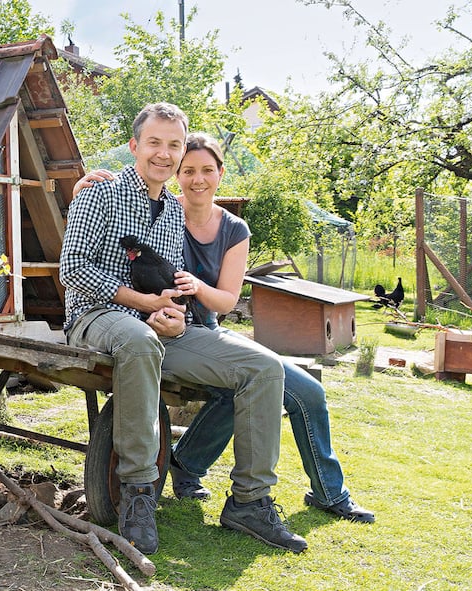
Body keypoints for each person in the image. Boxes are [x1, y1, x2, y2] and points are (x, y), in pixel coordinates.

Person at [74, 132, 375, 524]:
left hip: (209, 329)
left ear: (221, 173)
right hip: (164, 328)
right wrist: (81, 189)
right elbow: (121, 202)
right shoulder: (160, 210)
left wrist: (198, 288)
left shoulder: (233, 229)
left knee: (305, 391)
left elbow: (228, 301)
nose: (198, 179)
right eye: (189, 171)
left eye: (207, 171)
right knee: (244, 385)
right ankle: (190, 469)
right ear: (177, 174)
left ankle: (329, 492)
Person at [59, 103, 308, 555]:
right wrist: (143, 304)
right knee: (137, 339)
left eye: (173, 145)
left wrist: (173, 314)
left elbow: (169, 282)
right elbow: (72, 269)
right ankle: (138, 491)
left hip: (157, 330)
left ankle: (250, 503)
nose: (164, 153)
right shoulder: (101, 194)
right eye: (154, 142)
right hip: (95, 317)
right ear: (135, 146)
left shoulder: (173, 213)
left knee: (265, 367)